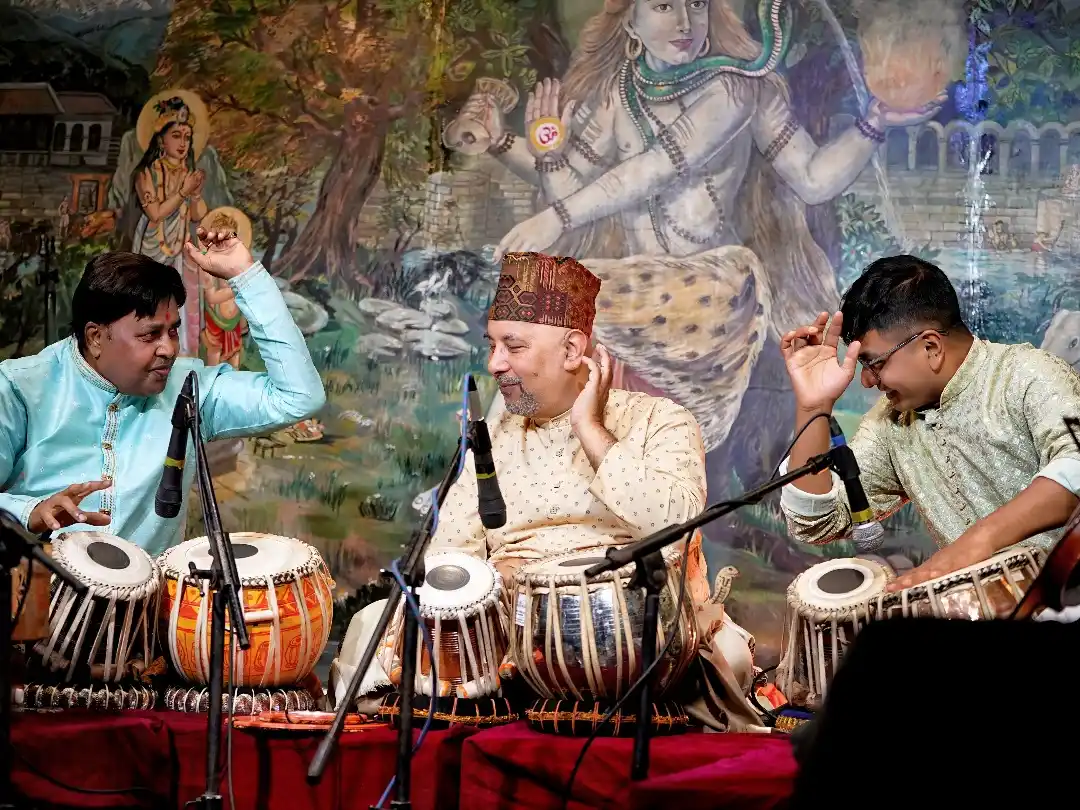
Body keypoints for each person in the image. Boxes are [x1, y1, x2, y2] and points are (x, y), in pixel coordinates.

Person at [331, 251, 763, 731]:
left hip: (628, 627)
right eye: (492, 345)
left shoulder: (659, 420)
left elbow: (675, 524)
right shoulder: (493, 439)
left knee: (727, 654)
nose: (494, 364)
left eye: (513, 347)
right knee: (370, 626)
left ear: (573, 349)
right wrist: (483, 587)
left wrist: (590, 429)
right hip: (508, 630)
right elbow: (449, 555)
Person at [0, 230, 325, 556]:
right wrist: (28, 512)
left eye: (173, 331)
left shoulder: (189, 389)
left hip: (152, 588)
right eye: (150, 335)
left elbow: (299, 397)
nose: (169, 349)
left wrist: (245, 275)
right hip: (36, 583)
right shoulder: (21, 388)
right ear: (96, 337)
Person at [778, 254, 1080, 594]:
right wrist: (814, 406)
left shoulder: (1027, 376)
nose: (867, 380)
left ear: (931, 347)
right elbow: (815, 523)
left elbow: (1075, 467)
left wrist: (978, 541)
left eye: (874, 363)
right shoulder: (891, 423)